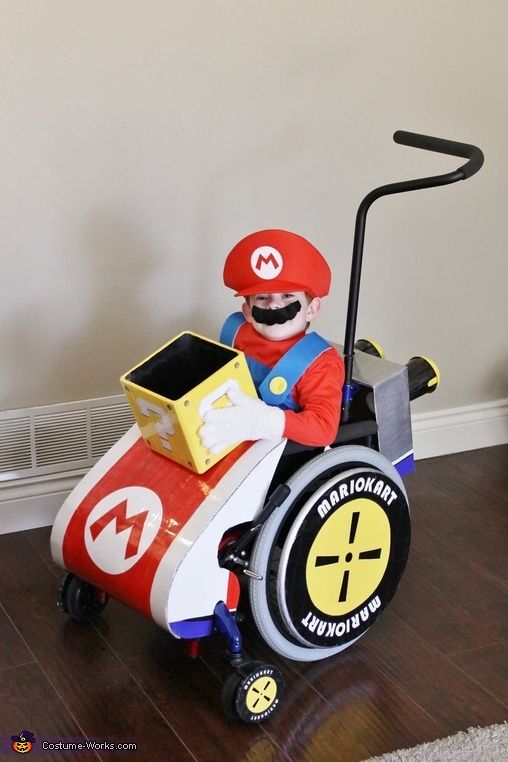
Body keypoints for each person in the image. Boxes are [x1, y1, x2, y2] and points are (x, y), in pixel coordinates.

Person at [199, 229, 344, 455]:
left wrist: (263, 422)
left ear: (311, 309)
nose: (274, 306)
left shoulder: (320, 363)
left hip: (279, 454)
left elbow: (324, 429)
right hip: (227, 437)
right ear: (247, 311)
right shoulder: (235, 332)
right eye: (263, 298)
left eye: (287, 296)